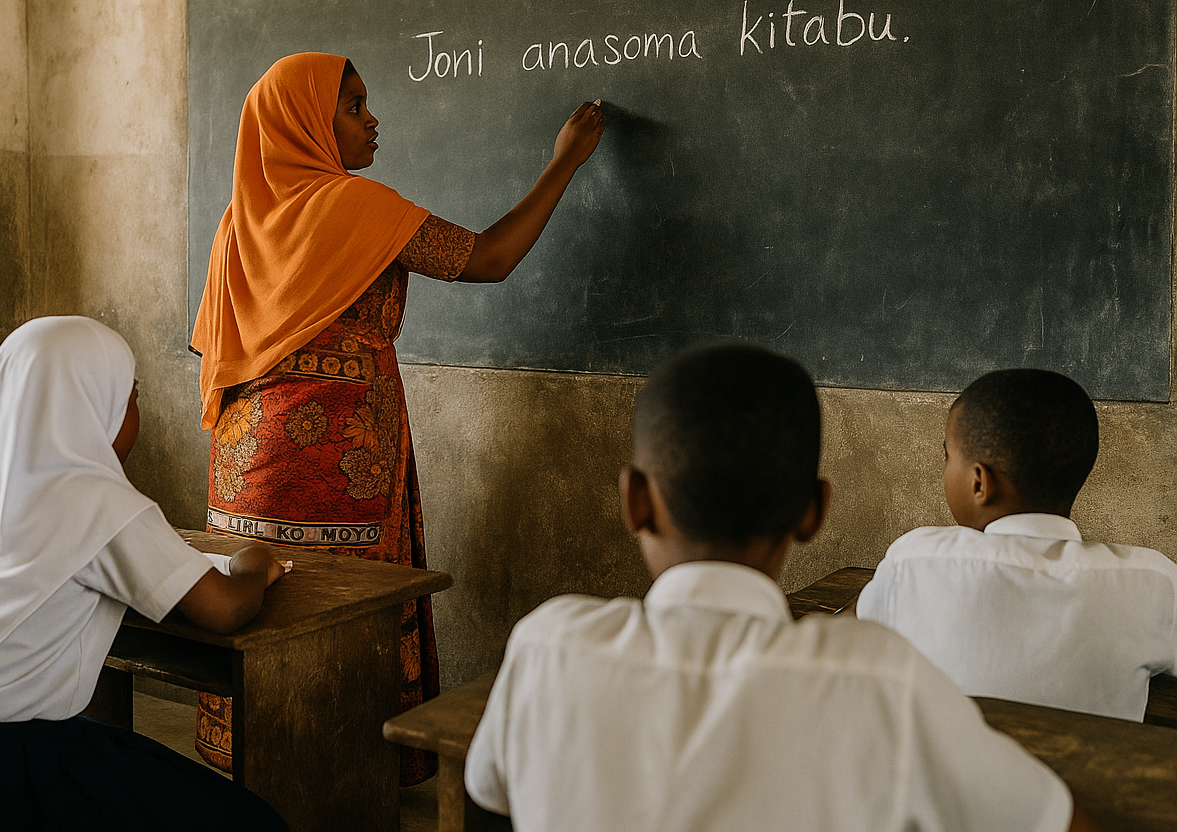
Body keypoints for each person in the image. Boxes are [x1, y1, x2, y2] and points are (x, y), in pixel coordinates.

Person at [464, 344, 1099, 832]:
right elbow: (1050, 820)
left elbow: (490, 790)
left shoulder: (549, 648)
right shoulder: (883, 683)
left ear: (634, 502)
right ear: (813, 512)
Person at [190, 51, 605, 780]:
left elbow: (215, 347)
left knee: (263, 612)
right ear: (306, 124)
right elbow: (489, 257)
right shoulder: (359, 207)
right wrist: (563, 164)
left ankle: (248, 772)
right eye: (353, 107)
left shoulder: (238, 223)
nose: (372, 118)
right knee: (341, 622)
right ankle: (338, 780)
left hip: (244, 468)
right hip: (337, 469)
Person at [0, 315, 288, 832]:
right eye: (130, 395)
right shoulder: (98, 501)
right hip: (19, 759)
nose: (134, 411)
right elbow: (224, 609)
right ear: (96, 406)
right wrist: (253, 562)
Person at [855, 368, 1177, 721]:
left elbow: (857, 625)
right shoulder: (1153, 581)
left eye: (948, 456)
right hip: (1088, 776)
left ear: (979, 482)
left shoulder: (916, 561)